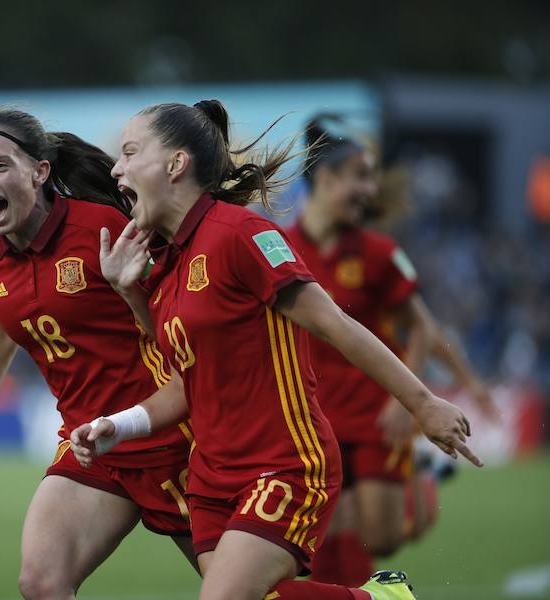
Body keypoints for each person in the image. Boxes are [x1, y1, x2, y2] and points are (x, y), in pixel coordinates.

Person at [69, 100, 480, 600]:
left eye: (130, 152)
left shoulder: (242, 234)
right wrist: (121, 422)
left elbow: (336, 325)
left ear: (176, 164)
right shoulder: (164, 264)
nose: (116, 168)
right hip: (210, 479)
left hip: (285, 464)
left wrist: (422, 403)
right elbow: (186, 384)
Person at [0, 107, 197, 600]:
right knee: (42, 583)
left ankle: (375, 594)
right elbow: (9, 318)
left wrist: (133, 293)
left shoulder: (105, 229)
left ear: (40, 171)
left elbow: (177, 325)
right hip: (89, 444)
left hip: (167, 437)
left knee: (249, 591)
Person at [284, 118, 498, 585]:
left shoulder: (380, 253)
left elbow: (423, 327)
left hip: (374, 410)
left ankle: (422, 478)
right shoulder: (281, 248)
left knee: (380, 537)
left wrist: (413, 399)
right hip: (313, 414)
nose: (370, 189)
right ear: (325, 181)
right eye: (360, 177)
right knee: (327, 534)